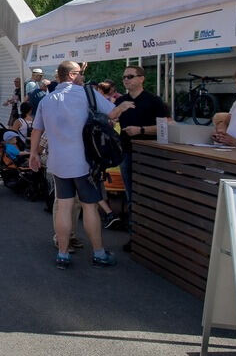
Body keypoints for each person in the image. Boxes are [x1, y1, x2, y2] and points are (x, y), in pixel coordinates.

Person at [27, 61, 132, 270]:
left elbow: (37, 130)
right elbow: (112, 114)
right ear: (73, 75)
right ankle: (99, 253)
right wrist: (124, 105)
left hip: (58, 162)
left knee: (64, 207)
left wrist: (33, 154)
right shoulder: (87, 95)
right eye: (80, 73)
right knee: (90, 207)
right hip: (85, 163)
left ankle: (63, 254)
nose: (83, 76)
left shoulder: (47, 100)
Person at [114, 65, 169, 206]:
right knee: (130, 193)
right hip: (125, 151)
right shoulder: (121, 101)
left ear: (141, 79)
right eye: (124, 77)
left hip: (147, 153)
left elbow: (167, 126)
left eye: (130, 76)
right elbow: (110, 119)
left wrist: (141, 130)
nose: (126, 80)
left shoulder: (153, 101)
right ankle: (132, 224)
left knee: (147, 191)